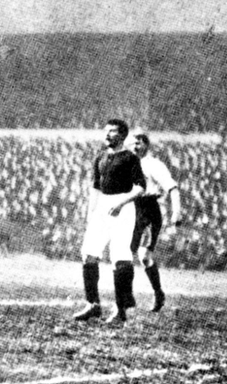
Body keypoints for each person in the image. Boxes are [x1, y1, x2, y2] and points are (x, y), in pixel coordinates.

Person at [73, 118, 146, 325]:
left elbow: (140, 187)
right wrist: (90, 215)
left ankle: (120, 310)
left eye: (112, 131)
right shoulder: (100, 158)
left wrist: (122, 203)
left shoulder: (130, 158)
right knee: (88, 253)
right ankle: (93, 305)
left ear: (122, 135)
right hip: (102, 207)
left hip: (122, 207)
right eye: (106, 131)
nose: (107, 135)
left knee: (119, 256)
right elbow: (95, 188)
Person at [128, 130, 182, 312]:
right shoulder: (128, 163)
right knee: (125, 254)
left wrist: (176, 213)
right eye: (132, 143)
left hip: (149, 209)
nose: (135, 146)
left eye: (138, 143)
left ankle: (158, 293)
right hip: (132, 209)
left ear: (145, 145)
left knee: (144, 256)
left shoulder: (153, 165)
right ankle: (126, 296)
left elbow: (172, 188)